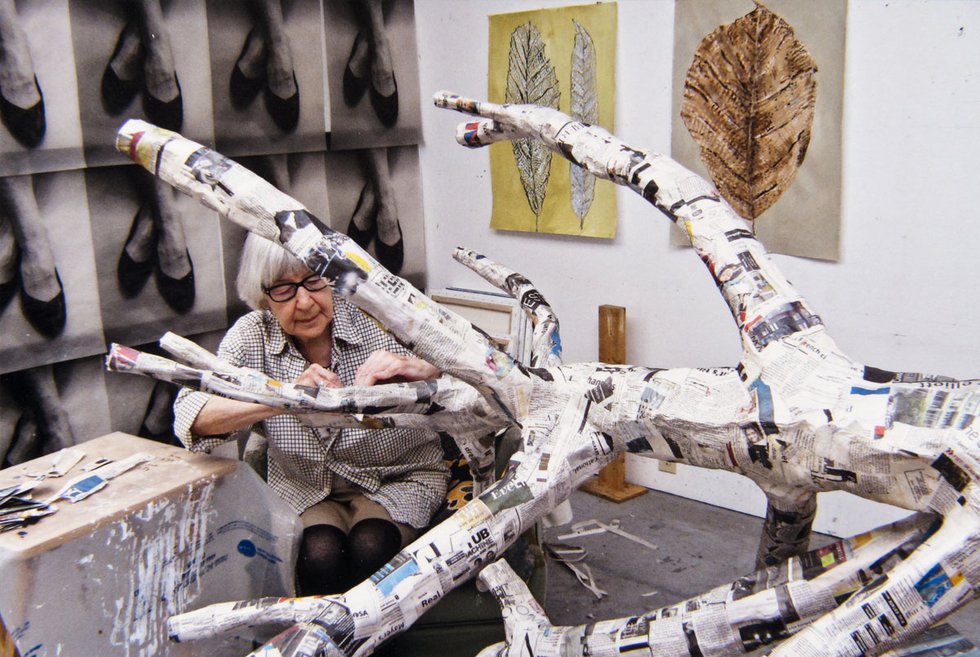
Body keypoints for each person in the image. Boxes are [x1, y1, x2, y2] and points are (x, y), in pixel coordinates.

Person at [173, 233, 446, 595]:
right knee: (320, 557)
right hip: (307, 488)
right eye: (284, 290)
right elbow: (190, 415)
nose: (303, 302)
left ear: (331, 277)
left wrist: (418, 367)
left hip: (398, 476)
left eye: (314, 281)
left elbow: (467, 358)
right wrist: (283, 398)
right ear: (263, 296)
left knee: (372, 547)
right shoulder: (252, 336)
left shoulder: (376, 315)